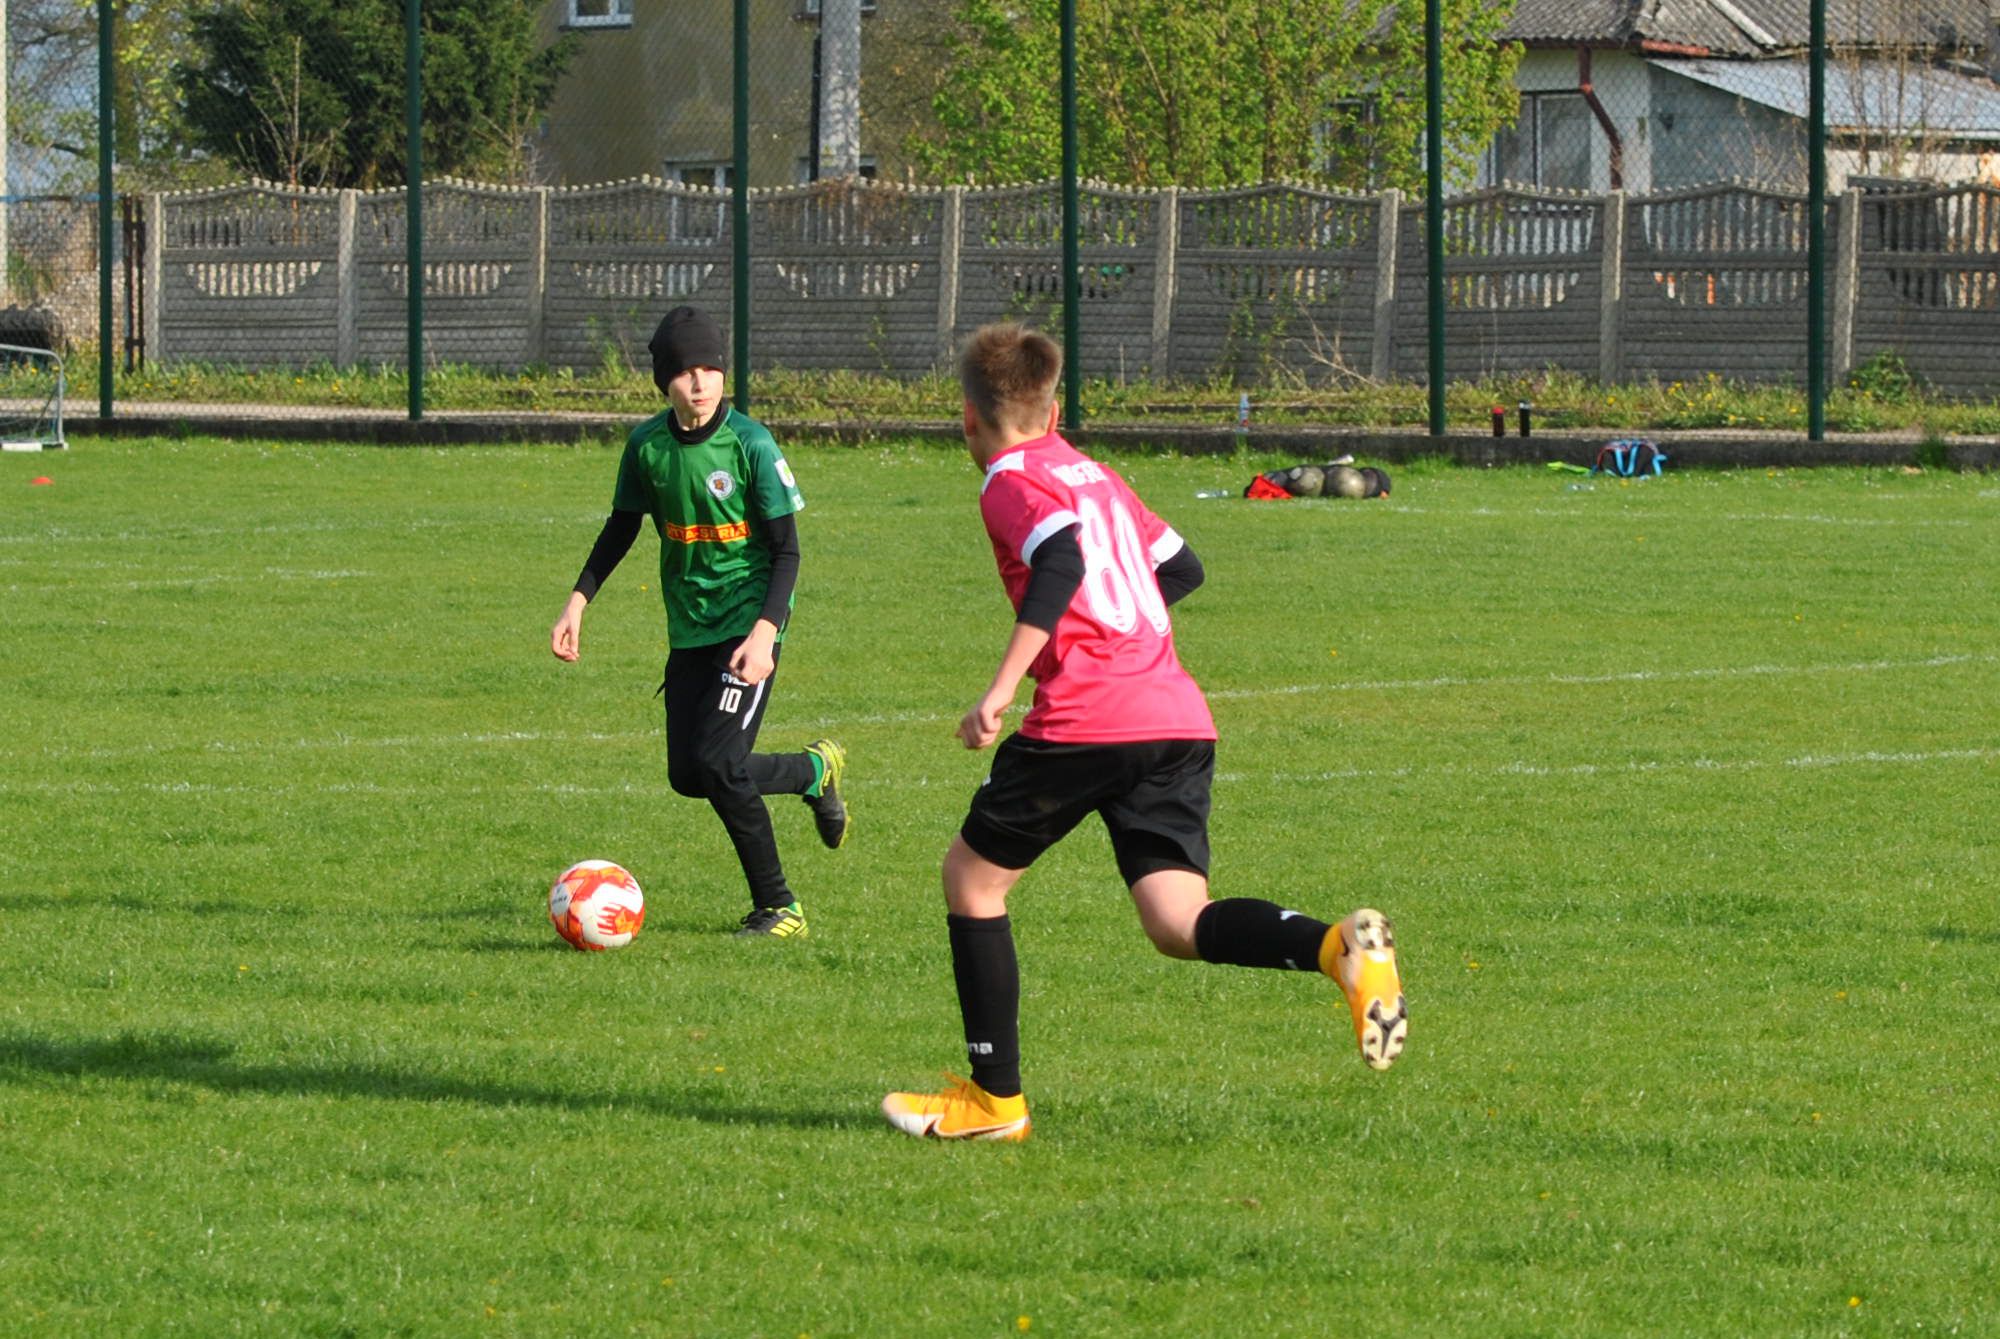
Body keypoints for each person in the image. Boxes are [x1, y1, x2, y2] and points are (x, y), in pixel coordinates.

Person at [881, 323, 1406, 1141]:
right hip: (1176, 718)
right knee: (1176, 920)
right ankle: (1338, 947)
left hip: (1087, 722)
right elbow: (1181, 567)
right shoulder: (1094, 473)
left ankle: (994, 1103)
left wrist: (1002, 685)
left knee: (972, 883)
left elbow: (1061, 565)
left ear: (968, 419)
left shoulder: (1008, 480)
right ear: (1053, 410)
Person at [549, 305, 847, 938]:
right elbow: (621, 526)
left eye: (711, 368)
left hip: (749, 624)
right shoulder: (647, 448)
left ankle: (780, 906)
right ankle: (810, 771)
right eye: (687, 371)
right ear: (665, 381)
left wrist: (766, 632)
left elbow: (788, 550)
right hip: (691, 627)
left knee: (718, 763)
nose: (701, 382)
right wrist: (579, 600)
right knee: (689, 775)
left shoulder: (750, 444)